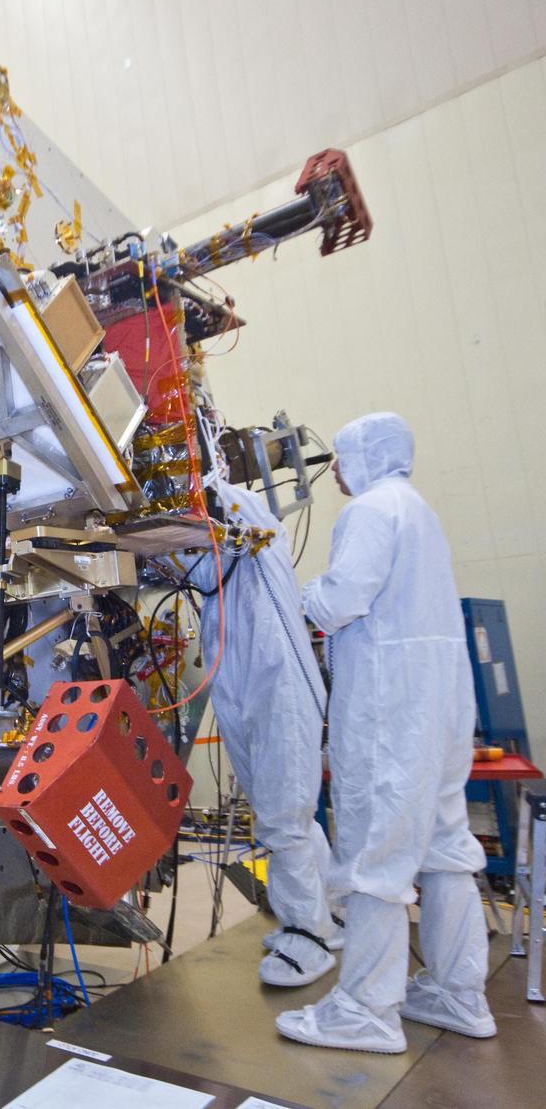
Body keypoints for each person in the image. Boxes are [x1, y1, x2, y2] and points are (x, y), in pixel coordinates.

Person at [277, 412, 495, 1053]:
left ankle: (366, 1009)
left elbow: (342, 599)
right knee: (446, 845)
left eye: (340, 458)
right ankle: (460, 992)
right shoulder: (419, 511)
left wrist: (298, 597)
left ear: (364, 458)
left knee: (377, 851)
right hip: (440, 705)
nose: (335, 471)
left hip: (387, 710)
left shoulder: (371, 510)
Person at [169, 476, 338, 988]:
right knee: (282, 811)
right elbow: (194, 568)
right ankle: (329, 912)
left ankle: (307, 934)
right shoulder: (220, 565)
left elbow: (224, 537)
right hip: (242, 683)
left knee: (285, 815)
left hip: (278, 685)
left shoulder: (244, 514)